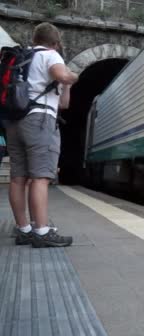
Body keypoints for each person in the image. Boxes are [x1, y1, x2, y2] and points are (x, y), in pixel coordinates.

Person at [3, 22, 78, 248]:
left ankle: (24, 229)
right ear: (55, 43)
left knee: (17, 177)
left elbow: (63, 102)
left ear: (35, 39)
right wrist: (71, 77)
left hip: (13, 121)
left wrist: (64, 86)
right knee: (40, 177)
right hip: (38, 121)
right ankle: (42, 232)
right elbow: (61, 75)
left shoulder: (22, 57)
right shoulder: (50, 55)